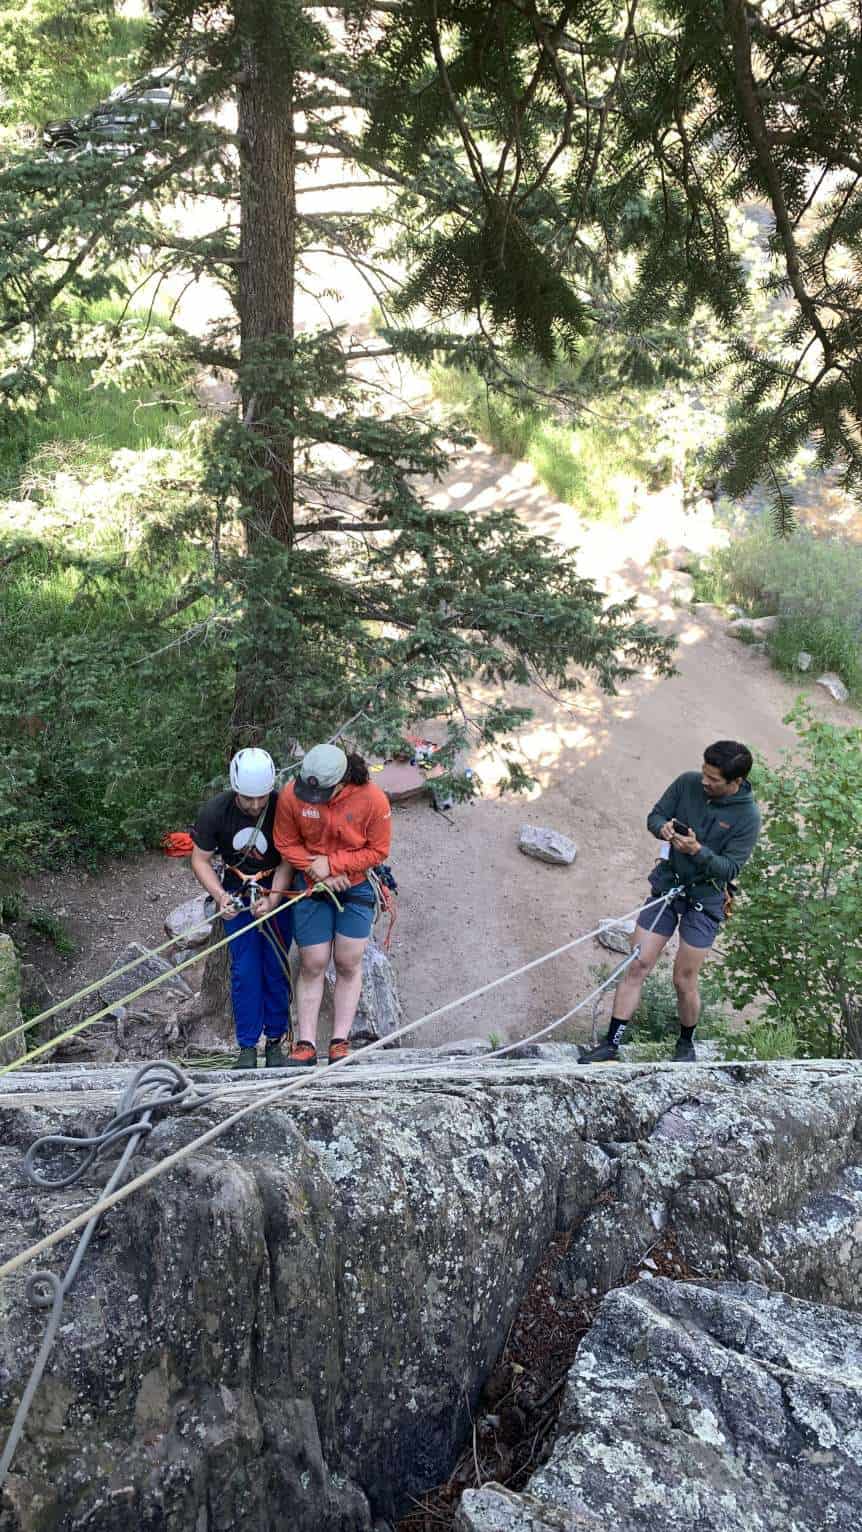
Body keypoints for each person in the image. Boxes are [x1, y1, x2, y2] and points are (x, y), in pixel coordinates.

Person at [580, 740, 761, 1065]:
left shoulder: (747, 816)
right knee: (637, 963)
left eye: (714, 779)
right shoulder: (687, 783)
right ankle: (611, 1044)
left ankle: (686, 1043)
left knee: (683, 979)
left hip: (705, 899)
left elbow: (731, 868)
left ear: (735, 782)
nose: (704, 781)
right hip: (668, 886)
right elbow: (655, 816)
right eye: (705, 773)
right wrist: (661, 828)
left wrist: (697, 851)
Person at [272, 743, 392, 1067]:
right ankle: (306, 1043)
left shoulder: (371, 799)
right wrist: (316, 869)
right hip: (312, 885)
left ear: (341, 782)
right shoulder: (291, 795)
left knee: (348, 960)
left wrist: (335, 863)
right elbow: (285, 842)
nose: (315, 799)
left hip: (354, 885)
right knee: (313, 961)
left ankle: (340, 1040)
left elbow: (378, 850)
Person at [190, 748, 293, 1070]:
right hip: (236, 892)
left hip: (276, 890)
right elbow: (200, 860)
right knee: (244, 971)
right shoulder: (216, 811)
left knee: (275, 967)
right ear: (236, 789)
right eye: (248, 798)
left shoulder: (282, 808)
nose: (255, 805)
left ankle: (276, 1044)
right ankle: (247, 1048)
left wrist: (274, 900)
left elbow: (290, 857)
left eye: (261, 797)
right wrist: (221, 897)